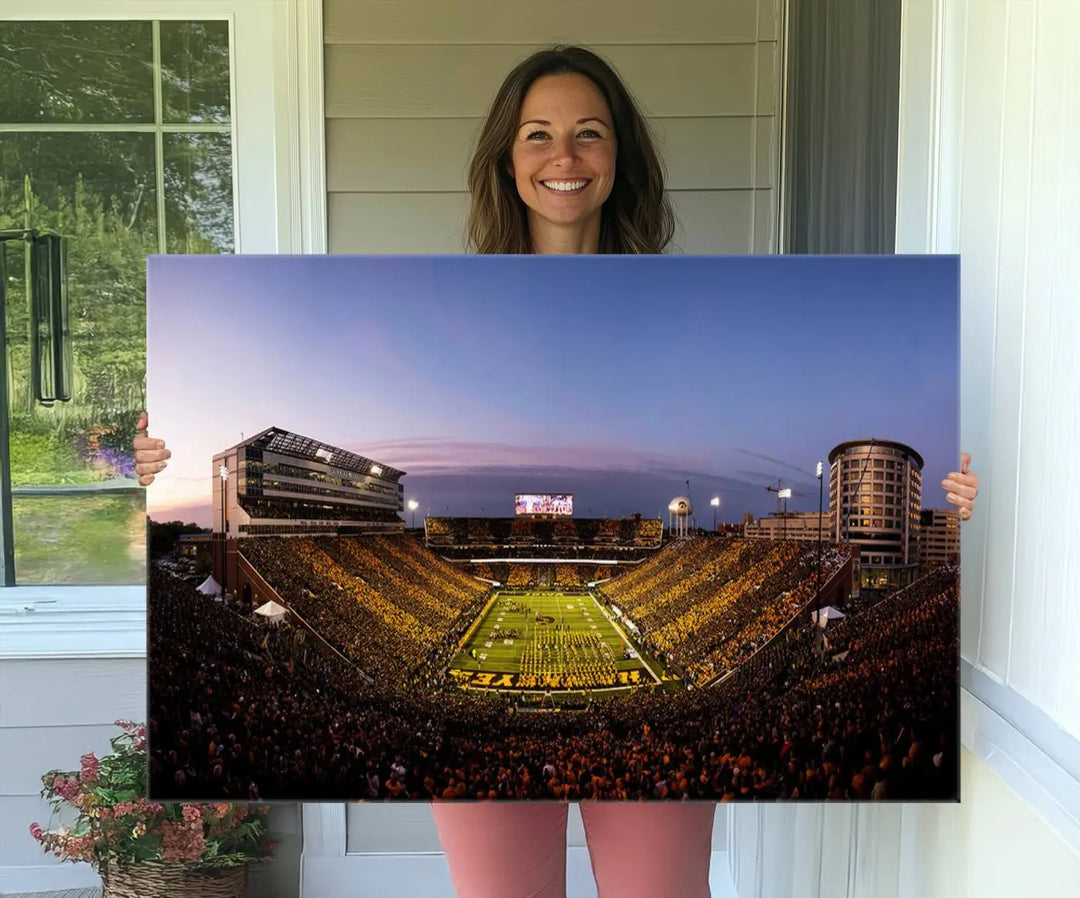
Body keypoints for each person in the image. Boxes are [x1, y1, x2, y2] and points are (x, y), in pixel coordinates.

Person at [133, 44, 980, 898]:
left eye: (589, 134)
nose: (563, 157)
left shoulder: (678, 307)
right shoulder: (451, 307)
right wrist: (152, 463)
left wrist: (949, 513)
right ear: (507, 157)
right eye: (537, 134)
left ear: (621, 158)